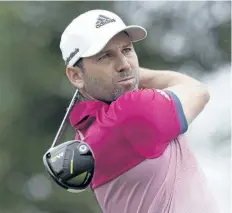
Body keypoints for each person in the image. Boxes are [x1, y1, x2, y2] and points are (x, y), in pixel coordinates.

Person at [59, 9, 218, 213]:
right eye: (106, 56)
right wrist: (137, 75)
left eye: (126, 50)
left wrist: (126, 76)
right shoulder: (132, 111)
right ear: (76, 76)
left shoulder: (85, 134)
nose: (124, 64)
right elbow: (198, 91)